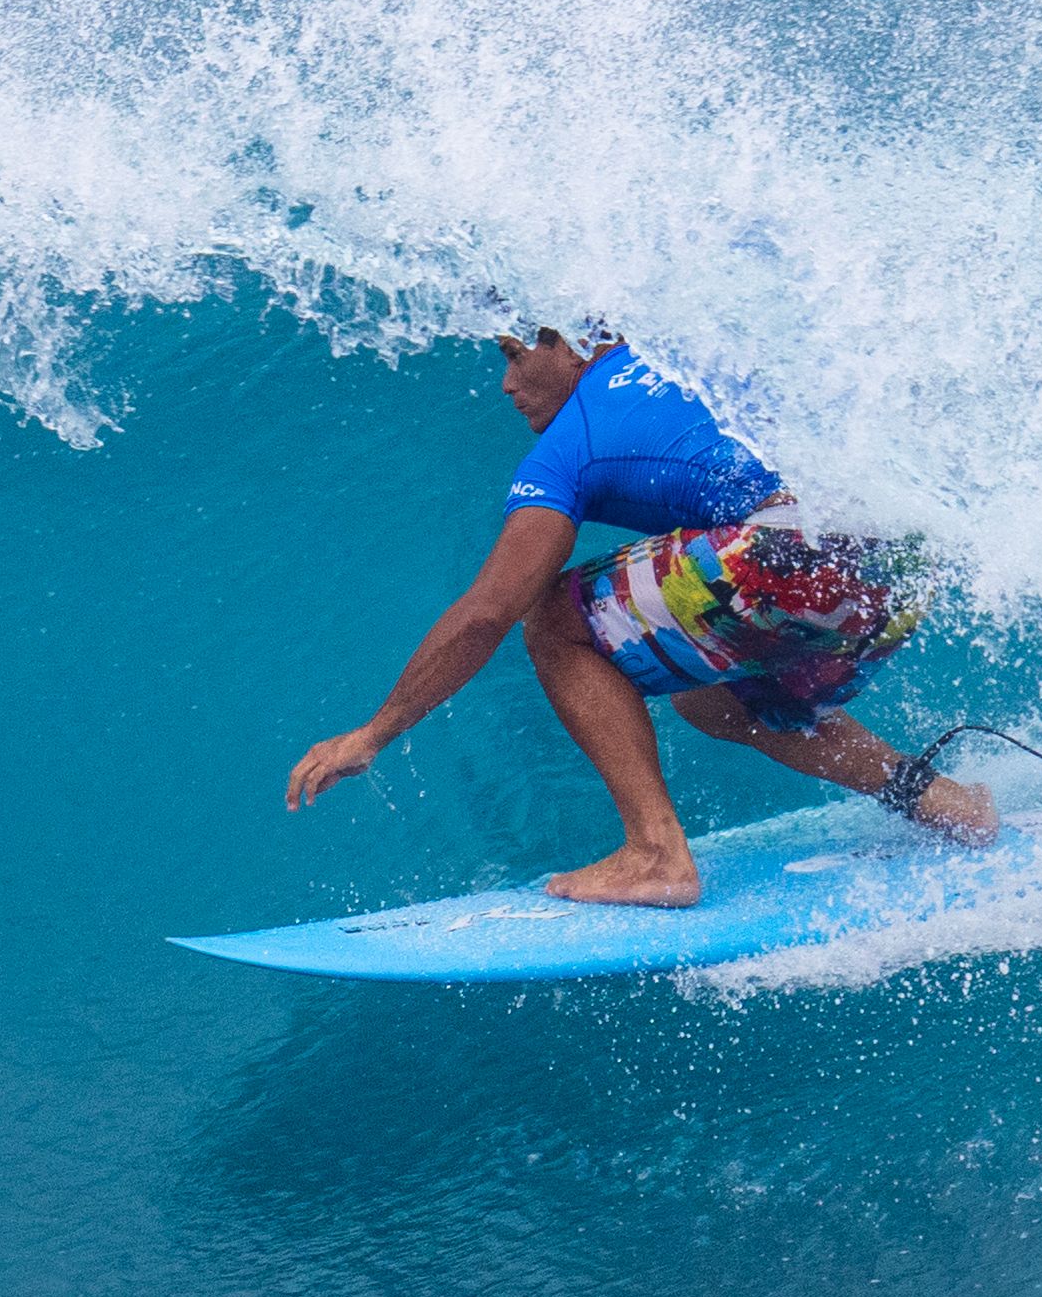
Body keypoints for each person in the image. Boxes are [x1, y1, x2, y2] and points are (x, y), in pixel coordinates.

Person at [281, 326, 994, 904]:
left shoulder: (571, 443)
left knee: (553, 616)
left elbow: (486, 613)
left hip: (792, 558)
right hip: (899, 567)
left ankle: (656, 853)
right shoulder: (676, 352)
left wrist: (373, 733)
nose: (506, 383)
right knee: (715, 702)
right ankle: (941, 801)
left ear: (569, 344)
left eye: (514, 354)